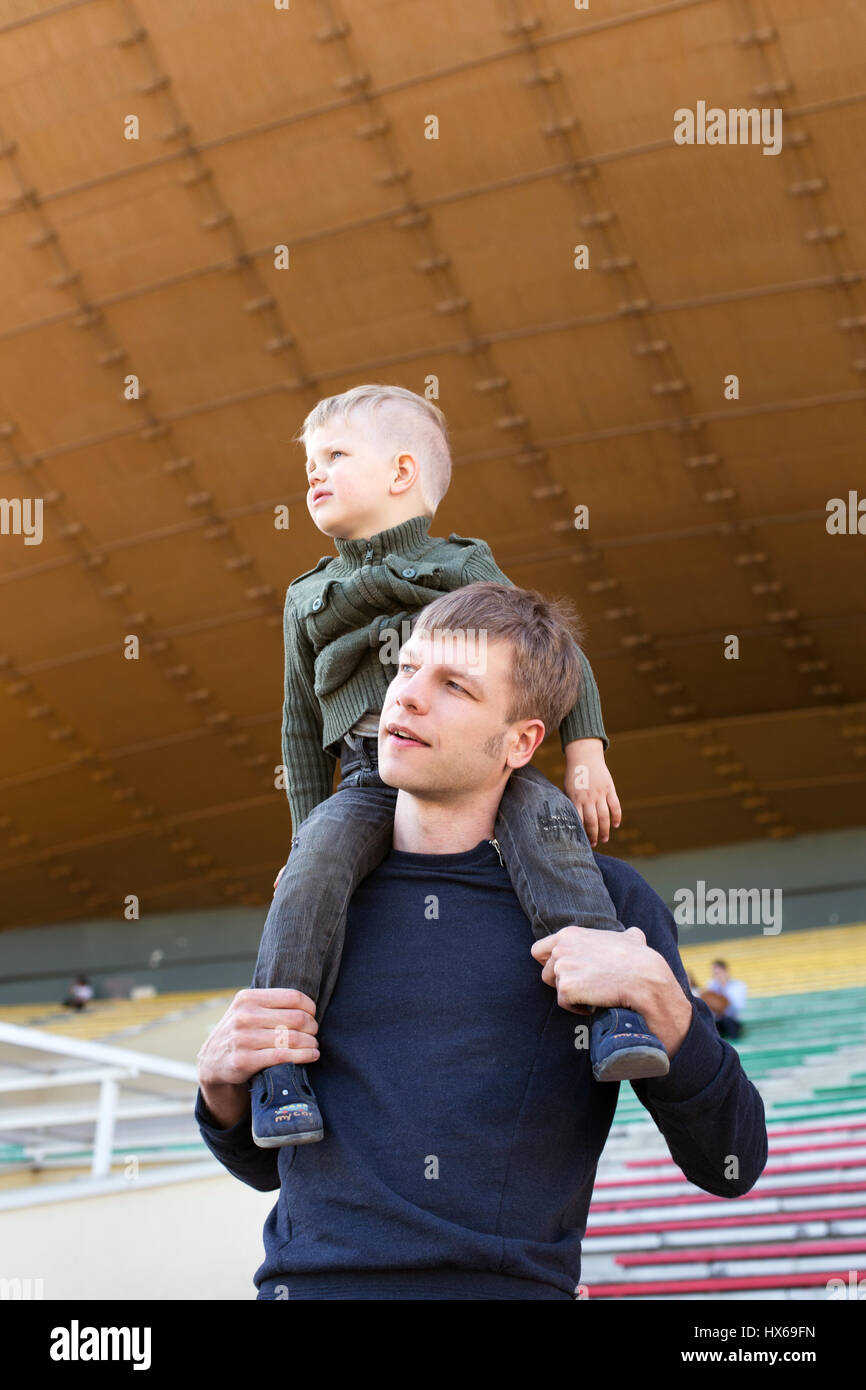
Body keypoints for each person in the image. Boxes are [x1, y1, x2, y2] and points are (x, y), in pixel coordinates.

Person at [195, 581, 768, 1301]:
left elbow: (732, 1161)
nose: (405, 697)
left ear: (521, 741)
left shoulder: (608, 907)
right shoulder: (314, 896)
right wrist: (220, 1088)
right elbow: (270, 1165)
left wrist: (666, 1007)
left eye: (454, 687)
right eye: (406, 670)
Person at [249, 383, 669, 1150]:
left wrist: (585, 751)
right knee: (313, 875)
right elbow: (298, 724)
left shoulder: (464, 563)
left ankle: (613, 1012)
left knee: (550, 830)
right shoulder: (304, 596)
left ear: (403, 472)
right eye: (309, 462)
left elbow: (556, 654)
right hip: (369, 769)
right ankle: (278, 1066)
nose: (314, 473)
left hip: (484, 765)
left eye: (335, 455)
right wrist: (302, 835)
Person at [706, 960, 747, 1040]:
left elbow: (738, 1006)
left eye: (718, 972)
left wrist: (722, 1002)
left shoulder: (738, 985)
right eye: (714, 973)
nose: (716, 976)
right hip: (717, 1021)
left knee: (728, 1021)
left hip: (732, 1020)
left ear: (725, 971)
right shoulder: (711, 985)